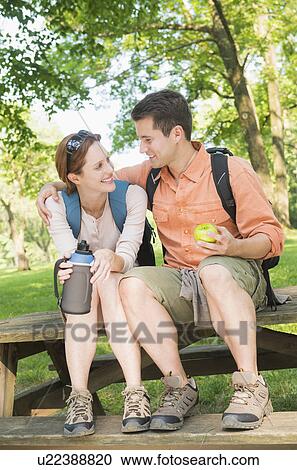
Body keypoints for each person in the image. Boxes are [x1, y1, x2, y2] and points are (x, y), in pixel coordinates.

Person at [37, 90, 284, 432]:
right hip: (181, 283)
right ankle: (180, 386)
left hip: (235, 276)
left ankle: (251, 386)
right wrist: (53, 185)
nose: (142, 148)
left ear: (177, 134)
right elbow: (92, 176)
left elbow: (271, 238)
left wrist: (233, 246)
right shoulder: (149, 174)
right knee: (130, 284)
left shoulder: (229, 170)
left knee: (213, 270)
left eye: (148, 139)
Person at [44, 130, 153, 437]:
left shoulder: (131, 196)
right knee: (86, 279)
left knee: (104, 278)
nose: (110, 171)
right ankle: (80, 396)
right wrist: (75, 266)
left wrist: (109, 258)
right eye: (98, 167)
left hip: (127, 291)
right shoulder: (58, 206)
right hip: (86, 298)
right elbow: (71, 257)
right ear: (74, 178)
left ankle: (135, 392)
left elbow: (129, 254)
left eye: (107, 161)